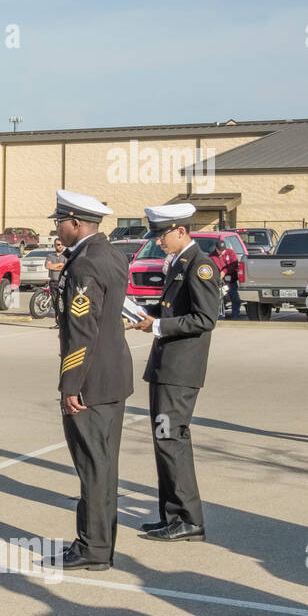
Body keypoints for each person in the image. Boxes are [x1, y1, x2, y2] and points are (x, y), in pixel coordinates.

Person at [46, 190, 134, 572]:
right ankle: (101, 543)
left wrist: (70, 385)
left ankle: (93, 547)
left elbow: (82, 331)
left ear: (76, 223)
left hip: (91, 381)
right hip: (114, 374)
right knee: (104, 465)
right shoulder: (110, 253)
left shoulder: (84, 265)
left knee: (92, 466)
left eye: (59, 222)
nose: (57, 229)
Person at [130, 203, 221, 542]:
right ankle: (171, 515)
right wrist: (144, 313)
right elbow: (171, 308)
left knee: (171, 440)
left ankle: (188, 519)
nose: (158, 242)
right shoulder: (178, 263)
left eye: (162, 235)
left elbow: (204, 318)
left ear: (181, 231)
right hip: (166, 367)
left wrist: (158, 326)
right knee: (164, 440)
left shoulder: (200, 266)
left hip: (179, 371)